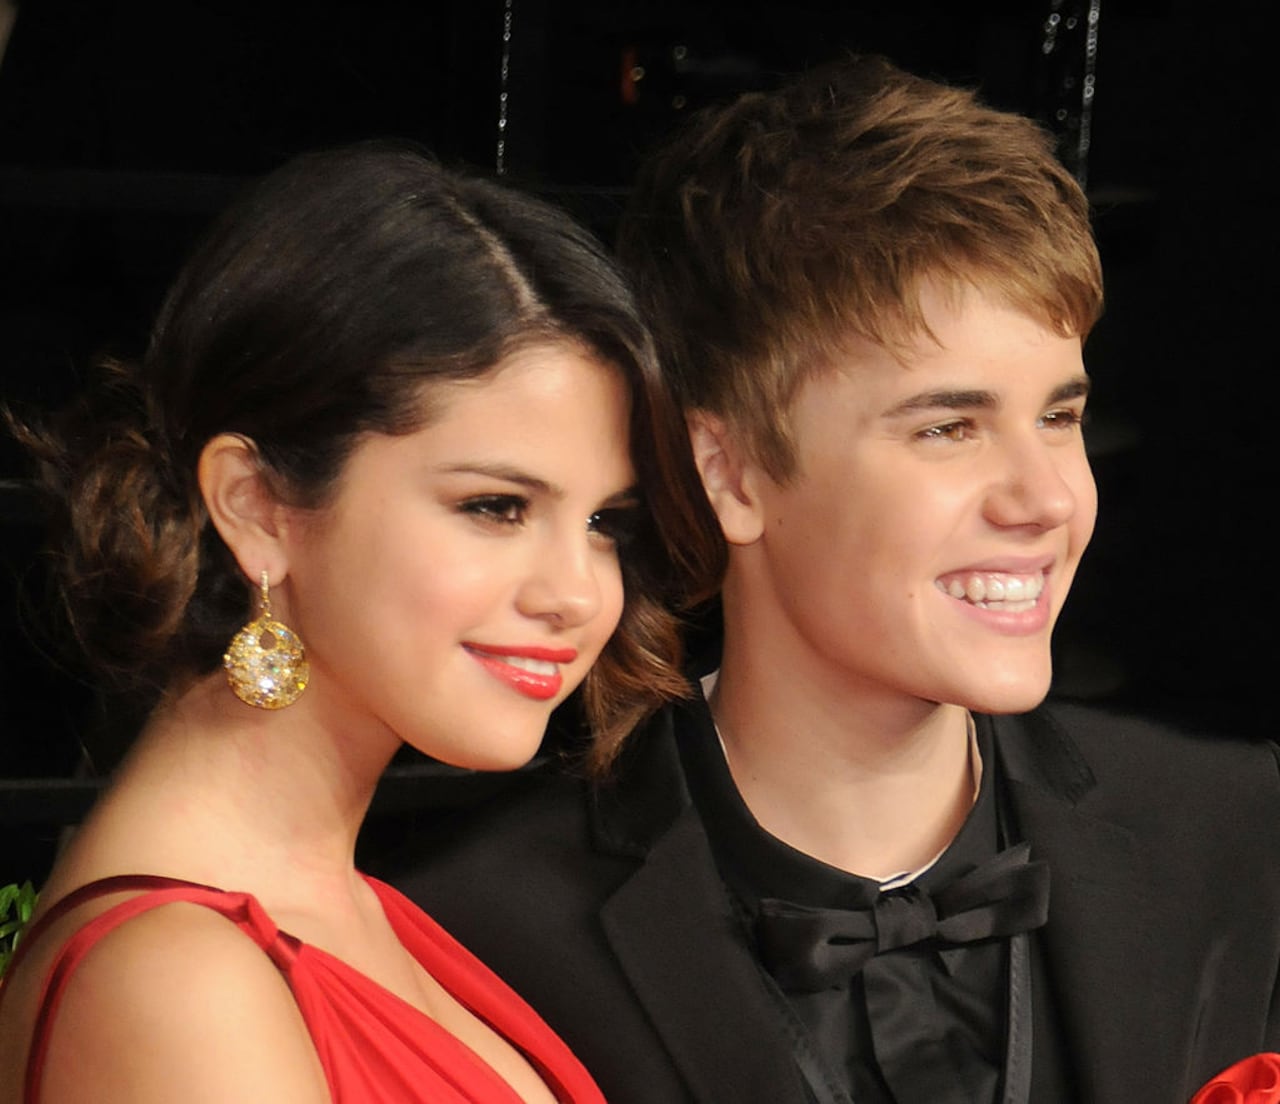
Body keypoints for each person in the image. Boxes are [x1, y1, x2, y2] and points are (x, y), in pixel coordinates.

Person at [386, 57, 1280, 1103]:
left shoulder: (1234, 838)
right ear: (728, 472)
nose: (1043, 497)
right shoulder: (483, 934)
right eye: (948, 427)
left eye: (1058, 416)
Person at [0, 142, 716, 1103]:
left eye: (603, 524)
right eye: (496, 506)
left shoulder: (352, 914)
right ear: (255, 506)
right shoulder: (181, 985)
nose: (577, 593)